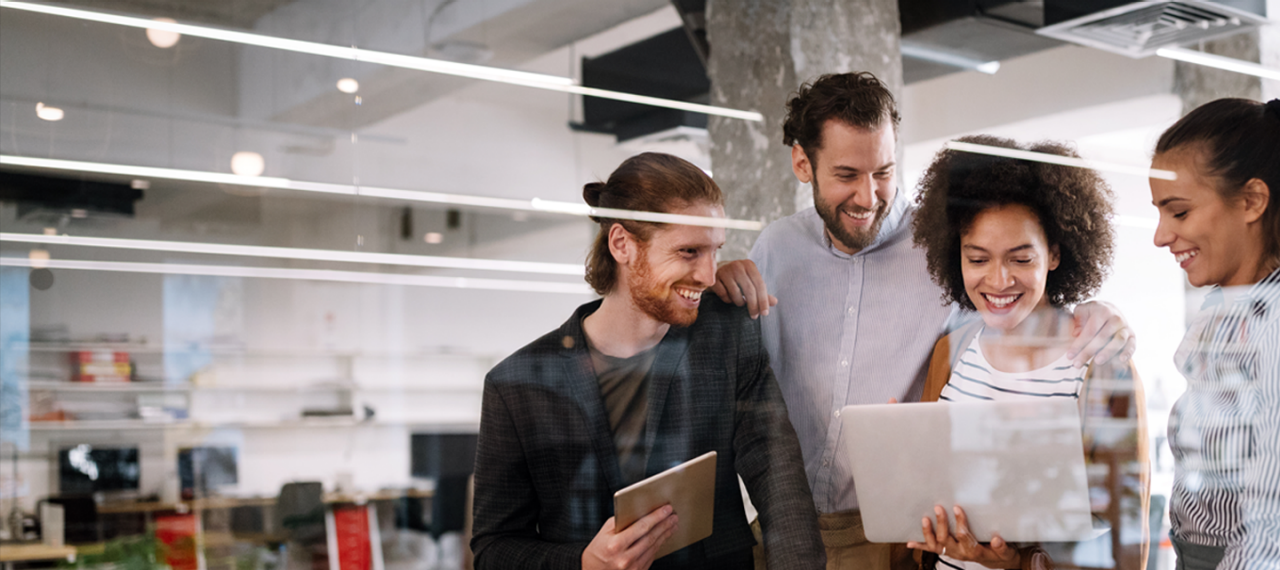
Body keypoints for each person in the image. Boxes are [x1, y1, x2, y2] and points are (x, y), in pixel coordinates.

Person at [710, 72, 1136, 570]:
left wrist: (1101, 310)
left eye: (884, 172)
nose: (868, 197)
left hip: (887, 534)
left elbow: (1020, 296)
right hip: (781, 523)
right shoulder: (776, 248)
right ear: (803, 163)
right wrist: (714, 278)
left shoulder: (940, 250)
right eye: (847, 175)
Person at [470, 152, 825, 570]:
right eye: (689, 251)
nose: (710, 275)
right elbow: (494, 549)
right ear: (621, 244)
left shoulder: (728, 337)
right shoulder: (514, 386)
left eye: (715, 251)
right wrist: (583, 564)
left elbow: (779, 485)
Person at [907, 135, 1150, 570]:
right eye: (977, 259)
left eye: (1020, 259)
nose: (998, 281)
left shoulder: (1101, 365)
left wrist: (1020, 564)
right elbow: (930, 489)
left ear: (1054, 253)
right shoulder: (951, 353)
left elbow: (1128, 549)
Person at [1149, 98, 1280, 570]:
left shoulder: (1273, 327)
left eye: (1178, 212)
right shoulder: (1224, 308)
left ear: (1251, 201)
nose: (1161, 236)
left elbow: (1271, 528)